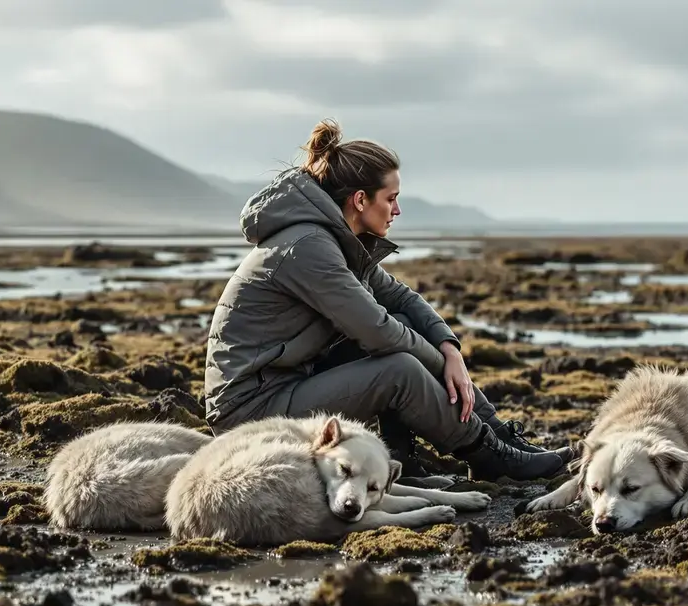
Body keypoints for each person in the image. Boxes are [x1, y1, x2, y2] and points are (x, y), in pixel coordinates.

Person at [202, 118, 573, 482]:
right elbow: (378, 332)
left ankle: (464, 446)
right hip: (252, 413)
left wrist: (450, 349)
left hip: (289, 383)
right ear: (360, 200)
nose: (397, 211)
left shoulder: (333, 240)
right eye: (391, 199)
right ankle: (489, 454)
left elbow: (400, 297)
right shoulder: (307, 248)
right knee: (399, 370)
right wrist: (443, 365)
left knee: (409, 329)